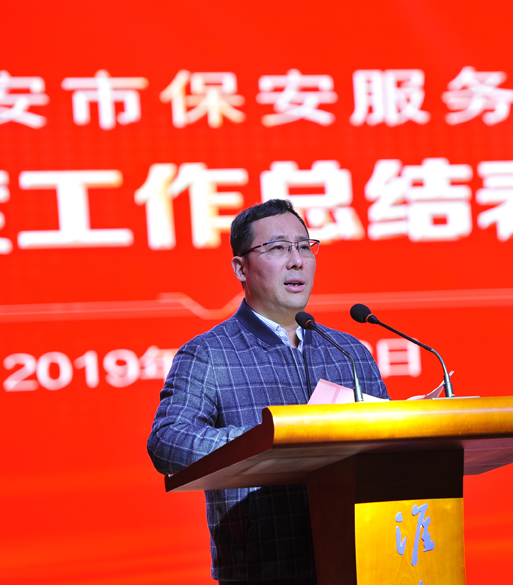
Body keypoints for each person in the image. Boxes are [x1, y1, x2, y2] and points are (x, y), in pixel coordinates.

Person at [148, 199, 388, 585]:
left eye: (304, 246)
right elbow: (167, 441)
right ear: (240, 268)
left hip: (358, 559)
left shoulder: (348, 351)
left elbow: (385, 449)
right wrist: (267, 439)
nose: (297, 261)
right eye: (277, 248)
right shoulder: (209, 353)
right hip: (264, 567)